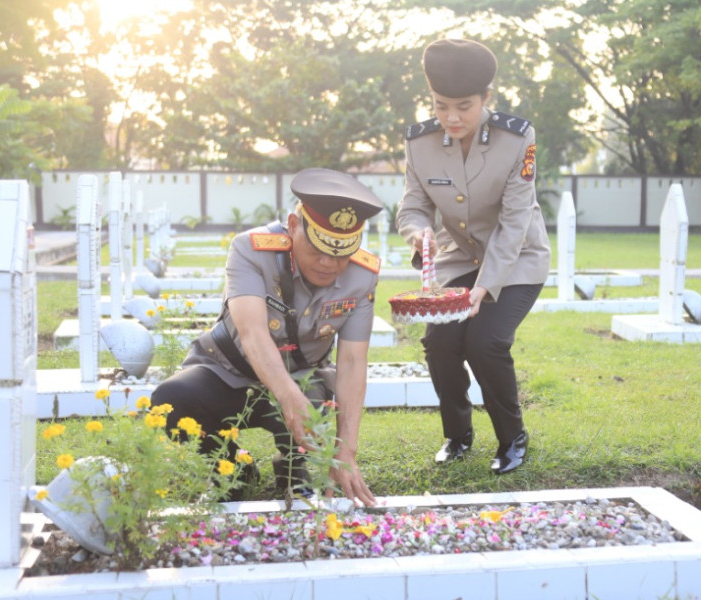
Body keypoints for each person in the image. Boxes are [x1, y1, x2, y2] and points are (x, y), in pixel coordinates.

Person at [151, 167, 382, 506]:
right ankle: (231, 468)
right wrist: (290, 400)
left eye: (340, 253)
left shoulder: (362, 276)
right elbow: (253, 333)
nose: (328, 263)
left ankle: (294, 471)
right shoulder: (252, 250)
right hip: (229, 372)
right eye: (318, 248)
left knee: (313, 407)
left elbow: (351, 361)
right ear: (293, 226)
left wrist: (346, 448)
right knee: (173, 399)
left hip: (303, 376)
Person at [395, 38, 551, 475]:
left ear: (486, 98)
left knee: (486, 342)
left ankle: (512, 437)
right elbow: (412, 206)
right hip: (457, 259)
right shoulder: (419, 142)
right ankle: (457, 435)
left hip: (517, 259)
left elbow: (515, 221)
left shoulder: (517, 138)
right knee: (440, 342)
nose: (451, 118)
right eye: (441, 106)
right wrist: (417, 232)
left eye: (464, 106)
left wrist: (485, 288)